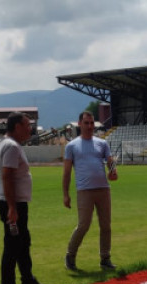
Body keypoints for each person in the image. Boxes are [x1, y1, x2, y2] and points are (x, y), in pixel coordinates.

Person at [0, 112, 46, 284]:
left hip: (11, 201)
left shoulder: (0, 142)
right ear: (17, 127)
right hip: (13, 204)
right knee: (12, 244)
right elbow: (8, 175)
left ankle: (27, 279)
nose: (30, 129)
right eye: (27, 125)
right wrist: (12, 207)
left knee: (23, 241)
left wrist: (1, 184)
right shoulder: (11, 146)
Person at [62, 111, 118, 271]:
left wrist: (113, 171)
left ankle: (105, 258)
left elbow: (110, 161)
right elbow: (66, 172)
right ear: (79, 124)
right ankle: (70, 255)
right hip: (84, 190)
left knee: (106, 226)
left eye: (92, 123)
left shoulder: (102, 143)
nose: (89, 126)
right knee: (83, 225)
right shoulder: (72, 146)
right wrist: (65, 194)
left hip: (103, 189)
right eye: (86, 123)